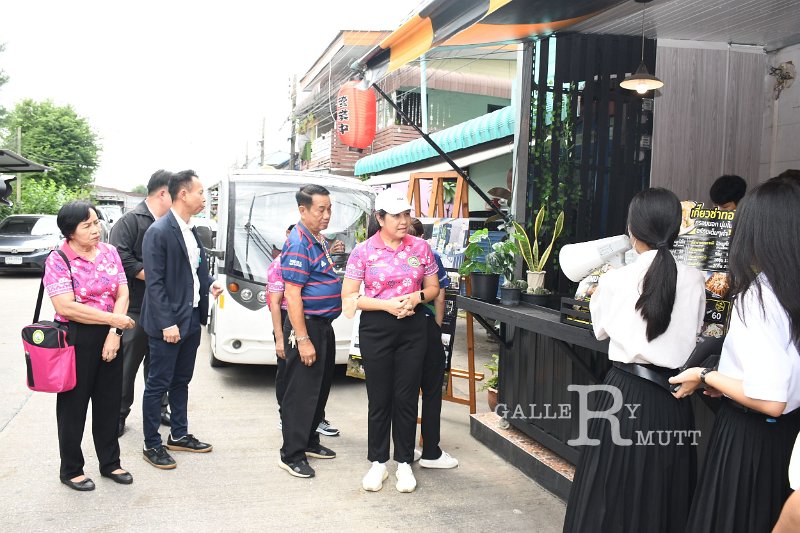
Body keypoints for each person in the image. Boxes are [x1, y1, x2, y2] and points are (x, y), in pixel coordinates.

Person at [563, 188, 706, 532]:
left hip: (624, 395)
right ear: (675, 229)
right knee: (663, 494)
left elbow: (600, 330)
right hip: (672, 399)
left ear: (632, 229)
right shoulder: (695, 279)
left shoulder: (616, 279)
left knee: (609, 493)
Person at [669, 177, 800, 532]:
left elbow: (770, 399)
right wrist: (728, 382)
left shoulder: (760, 297)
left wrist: (704, 375)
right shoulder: (788, 291)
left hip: (750, 441)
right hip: (788, 440)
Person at [341, 189, 440, 493]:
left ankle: (405, 463)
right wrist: (387, 305)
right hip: (377, 327)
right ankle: (378, 462)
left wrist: (416, 297)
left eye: (406, 214)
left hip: (413, 326)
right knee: (379, 396)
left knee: (407, 396)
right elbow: (349, 298)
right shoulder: (363, 251)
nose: (403, 221)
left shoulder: (421, 247)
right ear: (380, 218)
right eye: (396, 215)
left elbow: (433, 288)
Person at [43, 201, 136, 491]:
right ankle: (71, 469)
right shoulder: (58, 259)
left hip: (110, 334)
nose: (96, 229)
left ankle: (110, 463)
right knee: (74, 406)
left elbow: (123, 292)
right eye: (87, 225)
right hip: (76, 337)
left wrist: (114, 332)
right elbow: (66, 307)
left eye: (96, 222)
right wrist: (114, 320)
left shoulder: (109, 252)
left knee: (109, 402)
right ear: (70, 232)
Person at [140, 170, 223, 469]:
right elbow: (155, 283)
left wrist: (210, 283)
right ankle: (151, 444)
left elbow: (195, 269)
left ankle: (178, 434)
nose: (204, 198)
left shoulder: (191, 230)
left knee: (181, 381)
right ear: (183, 194)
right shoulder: (159, 231)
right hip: (169, 323)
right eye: (200, 192)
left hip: (189, 317)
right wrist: (167, 323)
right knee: (157, 384)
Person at [278, 185, 342, 478]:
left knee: (319, 389)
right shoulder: (298, 243)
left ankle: (310, 441)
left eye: (329, 209)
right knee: (301, 393)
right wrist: (302, 339)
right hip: (307, 327)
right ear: (303, 210)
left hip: (323, 325)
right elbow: (292, 295)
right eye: (321, 209)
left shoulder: (317, 239)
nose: (326, 215)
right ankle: (291, 454)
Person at [111, 169, 173, 437]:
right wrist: (155, 276)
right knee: (126, 367)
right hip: (135, 308)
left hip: (162, 309)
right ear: (163, 193)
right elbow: (120, 259)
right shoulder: (130, 222)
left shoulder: (172, 224)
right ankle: (118, 414)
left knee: (160, 366)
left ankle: (159, 409)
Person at [269, 224, 342, 437]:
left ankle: (312, 434)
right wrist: (281, 339)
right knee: (295, 383)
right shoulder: (282, 262)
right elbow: (277, 303)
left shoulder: (318, 250)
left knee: (317, 384)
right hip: (295, 322)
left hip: (316, 323)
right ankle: (291, 434)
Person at [407, 218, 458, 469]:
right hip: (425, 326)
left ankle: (406, 450)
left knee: (404, 392)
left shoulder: (387, 254)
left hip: (398, 328)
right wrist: (437, 327)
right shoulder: (429, 254)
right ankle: (430, 451)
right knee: (431, 390)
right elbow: (439, 295)